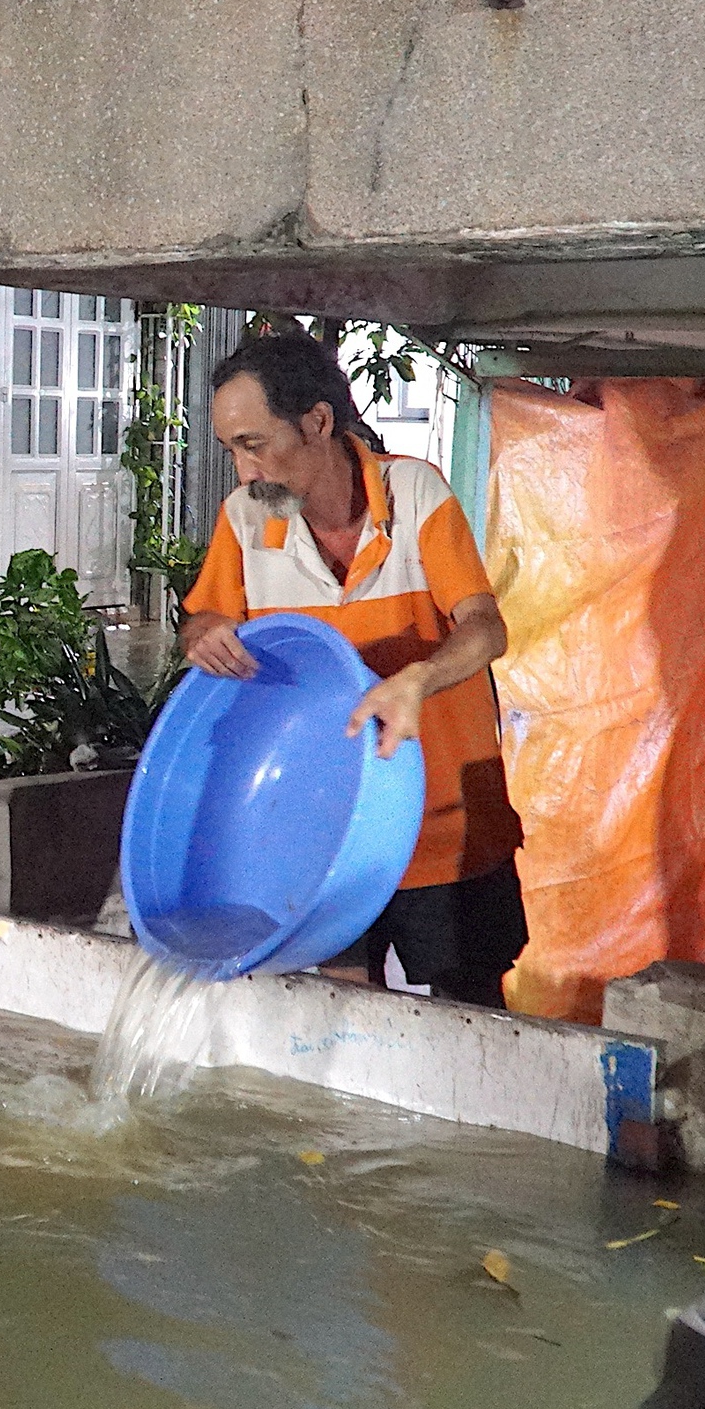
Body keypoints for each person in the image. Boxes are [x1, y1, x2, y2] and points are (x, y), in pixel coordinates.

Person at [176, 331, 527, 1007]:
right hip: (321, 828)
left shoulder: (415, 493)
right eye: (231, 451)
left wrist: (417, 680)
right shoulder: (246, 519)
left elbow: (487, 629)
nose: (244, 473)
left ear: (317, 422)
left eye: (254, 444)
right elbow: (204, 617)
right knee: (342, 1007)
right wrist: (206, 635)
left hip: (443, 822)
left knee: (471, 1012)